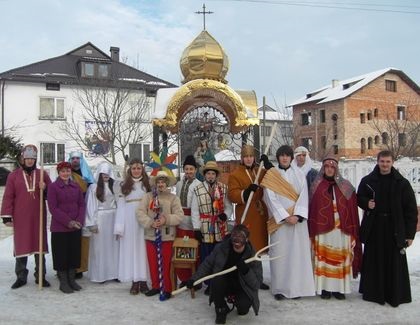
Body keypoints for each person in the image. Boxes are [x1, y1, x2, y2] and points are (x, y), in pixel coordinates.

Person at [357, 150, 418, 307]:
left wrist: (410, 234)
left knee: (393, 261)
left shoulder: (402, 183)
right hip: (375, 227)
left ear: (392, 162)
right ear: (377, 162)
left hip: (394, 228)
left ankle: (394, 294)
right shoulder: (368, 180)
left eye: (387, 162)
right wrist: (366, 203)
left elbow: (410, 210)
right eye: (382, 161)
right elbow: (358, 197)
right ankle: (373, 292)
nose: (384, 164)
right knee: (374, 260)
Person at [261, 145, 315, 300]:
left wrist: (297, 216)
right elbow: (269, 198)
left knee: (296, 255)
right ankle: (279, 289)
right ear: (278, 157)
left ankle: (295, 288)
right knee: (280, 255)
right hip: (280, 223)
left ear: (291, 158)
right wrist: (285, 216)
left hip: (297, 223)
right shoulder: (272, 174)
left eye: (287, 155)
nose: (284, 158)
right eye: (282, 155)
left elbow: (304, 196)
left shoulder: (299, 174)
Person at [185, 224, 262, 325]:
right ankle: (221, 309)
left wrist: (246, 271)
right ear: (231, 237)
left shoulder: (253, 256)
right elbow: (207, 265)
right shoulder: (221, 248)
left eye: (241, 236)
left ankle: (238, 301)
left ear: (246, 239)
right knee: (217, 279)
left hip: (242, 287)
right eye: (235, 236)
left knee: (243, 309)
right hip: (224, 283)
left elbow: (257, 284)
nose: (237, 239)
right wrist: (193, 279)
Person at [308, 157, 362, 300]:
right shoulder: (316, 186)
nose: (330, 169)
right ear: (323, 169)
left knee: (340, 257)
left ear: (336, 169)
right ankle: (324, 288)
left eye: (332, 167)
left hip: (341, 229)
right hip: (322, 229)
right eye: (327, 167)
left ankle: (339, 289)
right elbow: (312, 209)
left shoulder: (346, 186)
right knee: (324, 257)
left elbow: (352, 210)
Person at [1, 145, 52, 289]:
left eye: (32, 159)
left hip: (38, 217)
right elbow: (8, 197)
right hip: (21, 217)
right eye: (27, 158)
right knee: (21, 245)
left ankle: (40, 276)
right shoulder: (13, 176)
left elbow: (52, 195)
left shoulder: (42, 174)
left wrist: (45, 188)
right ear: (22, 159)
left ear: (35, 160)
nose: (30, 161)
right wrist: (6, 216)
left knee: (39, 246)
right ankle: (21, 277)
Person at [228, 145, 270, 290]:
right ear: (242, 158)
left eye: (251, 156)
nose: (248, 159)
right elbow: (232, 194)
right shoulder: (235, 174)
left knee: (257, 249)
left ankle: (258, 279)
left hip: (259, 214)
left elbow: (272, 177)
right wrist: (246, 193)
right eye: (246, 156)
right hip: (245, 214)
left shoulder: (260, 171)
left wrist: (268, 164)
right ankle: (244, 278)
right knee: (246, 247)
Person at [137, 170, 184, 300]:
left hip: (167, 236)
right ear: (155, 183)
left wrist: (166, 219)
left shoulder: (173, 198)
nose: (161, 184)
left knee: (166, 263)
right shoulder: (148, 197)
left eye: (163, 181)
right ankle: (156, 286)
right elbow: (140, 212)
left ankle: (167, 288)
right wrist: (150, 222)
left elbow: (179, 216)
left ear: (167, 183)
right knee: (153, 262)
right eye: (159, 181)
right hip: (151, 235)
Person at [191, 161, 233, 295]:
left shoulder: (223, 188)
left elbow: (228, 206)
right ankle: (209, 283)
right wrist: (196, 228)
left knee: (220, 256)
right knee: (207, 256)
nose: (210, 176)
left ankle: (218, 282)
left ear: (216, 175)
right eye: (208, 173)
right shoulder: (198, 189)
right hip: (205, 227)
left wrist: (225, 215)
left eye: (213, 173)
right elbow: (195, 210)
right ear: (204, 175)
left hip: (220, 227)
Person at [47, 161, 86, 294]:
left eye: (68, 171)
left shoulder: (76, 186)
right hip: (60, 227)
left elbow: (81, 205)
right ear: (59, 172)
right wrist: (69, 222)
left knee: (73, 253)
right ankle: (63, 281)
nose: (65, 173)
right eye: (63, 171)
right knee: (61, 254)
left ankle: (72, 279)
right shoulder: (53, 187)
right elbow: (53, 208)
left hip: (76, 226)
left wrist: (79, 220)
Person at [114, 158, 150, 295]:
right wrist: (119, 227)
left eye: (139, 168)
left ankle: (144, 281)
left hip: (144, 220)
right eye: (134, 168)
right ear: (130, 170)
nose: (136, 171)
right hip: (129, 220)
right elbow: (121, 207)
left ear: (142, 169)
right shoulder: (124, 185)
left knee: (143, 250)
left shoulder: (147, 184)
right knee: (132, 251)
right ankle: (134, 281)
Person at [85, 162, 120, 283]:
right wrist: (92, 223)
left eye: (107, 173)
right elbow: (90, 206)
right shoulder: (93, 188)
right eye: (103, 173)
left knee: (114, 246)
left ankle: (115, 273)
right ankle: (100, 274)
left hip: (113, 217)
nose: (105, 175)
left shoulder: (114, 187)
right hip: (100, 219)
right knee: (100, 247)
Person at [175, 155, 201, 286]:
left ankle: (194, 279)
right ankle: (184, 278)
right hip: (181, 221)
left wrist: (197, 227)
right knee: (182, 250)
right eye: (186, 169)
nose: (189, 171)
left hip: (193, 222)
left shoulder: (199, 185)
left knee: (193, 251)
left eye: (191, 169)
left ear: (195, 170)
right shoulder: (179, 184)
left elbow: (197, 207)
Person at [68, 151, 95, 278]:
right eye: (72, 158)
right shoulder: (66, 174)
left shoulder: (87, 175)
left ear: (81, 160)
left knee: (83, 240)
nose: (75, 160)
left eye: (77, 158)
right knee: (68, 241)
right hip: (68, 210)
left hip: (83, 211)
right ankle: (67, 268)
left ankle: (79, 269)